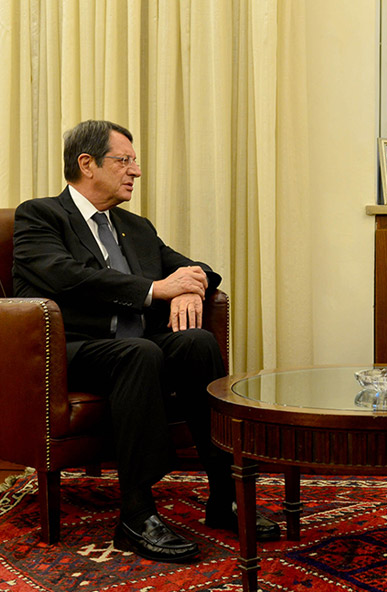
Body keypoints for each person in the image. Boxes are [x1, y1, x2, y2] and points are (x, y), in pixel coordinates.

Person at [12, 120, 280, 563]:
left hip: (138, 347)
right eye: (124, 160)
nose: (135, 171)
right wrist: (156, 290)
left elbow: (195, 268)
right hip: (69, 350)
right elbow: (65, 276)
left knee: (195, 342)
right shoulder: (41, 215)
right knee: (141, 352)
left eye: (134, 161)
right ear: (87, 164)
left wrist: (192, 286)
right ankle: (136, 513)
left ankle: (222, 497)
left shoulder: (135, 226)